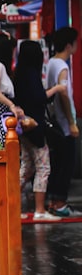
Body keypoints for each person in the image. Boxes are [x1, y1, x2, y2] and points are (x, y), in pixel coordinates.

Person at [14, 40, 61, 221]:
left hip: (25, 129)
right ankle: (40, 210)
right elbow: (39, 97)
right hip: (35, 128)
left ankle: (14, 207)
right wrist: (57, 88)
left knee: (26, 168)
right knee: (43, 167)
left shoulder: (19, 73)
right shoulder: (31, 74)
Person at [46, 26, 79, 217]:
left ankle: (55, 202)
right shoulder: (63, 67)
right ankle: (60, 203)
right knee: (67, 163)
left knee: (58, 163)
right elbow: (64, 95)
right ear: (69, 45)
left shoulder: (51, 63)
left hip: (55, 121)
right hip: (64, 124)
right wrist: (72, 121)